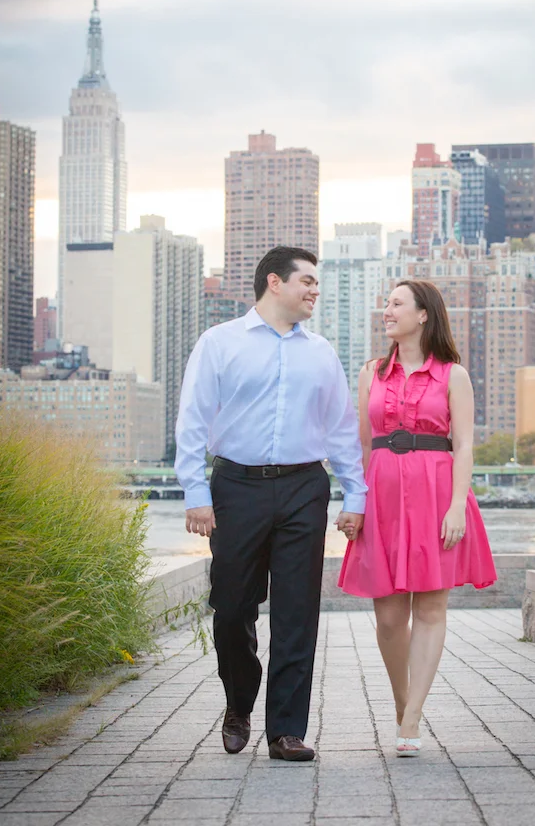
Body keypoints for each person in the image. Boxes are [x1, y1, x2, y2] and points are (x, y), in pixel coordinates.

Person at [175, 246, 366, 762]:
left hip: (305, 487)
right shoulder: (219, 343)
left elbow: (342, 429)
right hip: (236, 486)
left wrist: (356, 494)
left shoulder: (321, 352)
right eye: (307, 281)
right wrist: (196, 492)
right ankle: (239, 703)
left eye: (317, 283)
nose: (315, 291)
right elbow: (193, 420)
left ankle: (285, 730)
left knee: (297, 612)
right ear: (275, 283)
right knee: (232, 606)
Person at [338, 279, 496, 756]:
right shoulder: (371, 372)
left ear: (423, 313)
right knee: (388, 616)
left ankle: (412, 717)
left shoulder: (453, 375)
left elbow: (463, 445)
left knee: (430, 608)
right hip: (383, 496)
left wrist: (457, 505)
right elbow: (362, 444)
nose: (386, 311)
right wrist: (354, 502)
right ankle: (402, 702)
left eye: (396, 304)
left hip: (435, 494)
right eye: (385, 304)